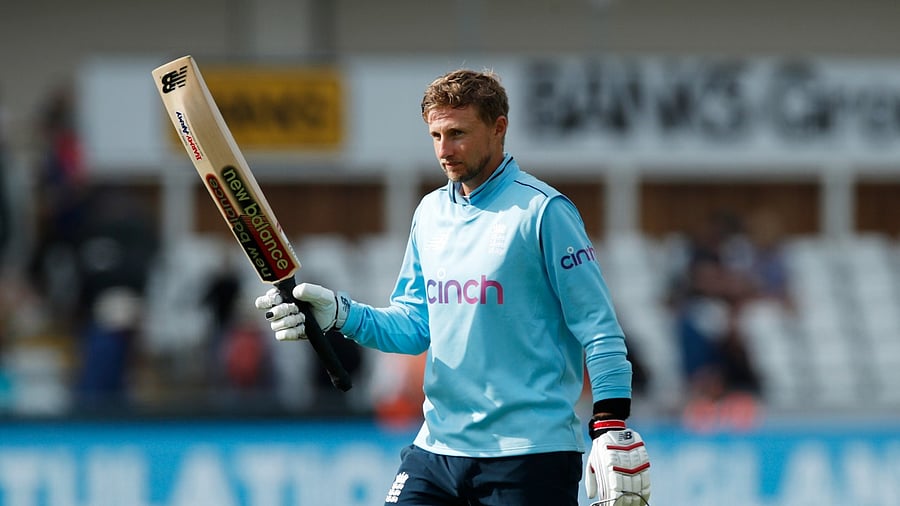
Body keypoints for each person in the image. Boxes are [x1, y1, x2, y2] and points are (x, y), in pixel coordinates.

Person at [256, 69, 651, 506]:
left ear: (499, 128)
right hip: (437, 450)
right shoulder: (429, 212)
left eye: (458, 133)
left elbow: (599, 328)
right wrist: (338, 313)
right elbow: (413, 327)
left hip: (529, 454)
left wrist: (611, 424)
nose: (445, 150)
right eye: (436, 135)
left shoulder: (544, 211)